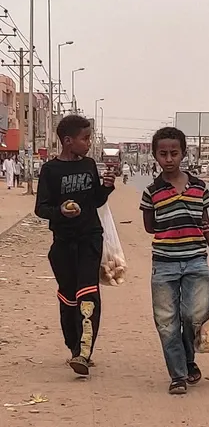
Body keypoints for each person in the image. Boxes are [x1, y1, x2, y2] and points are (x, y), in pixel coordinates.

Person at [141, 127, 209, 395]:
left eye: (174, 153)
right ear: (155, 156)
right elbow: (150, 226)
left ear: (184, 154)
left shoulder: (199, 187)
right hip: (164, 264)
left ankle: (189, 360)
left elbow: (206, 224)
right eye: (163, 154)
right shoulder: (151, 191)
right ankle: (178, 375)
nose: (169, 159)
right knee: (167, 322)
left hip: (196, 262)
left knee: (194, 315)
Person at [34, 115, 115, 376]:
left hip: (90, 238)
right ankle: (73, 346)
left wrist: (107, 188)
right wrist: (61, 211)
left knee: (88, 294)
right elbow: (41, 209)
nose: (89, 143)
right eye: (85, 138)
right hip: (63, 244)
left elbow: (96, 202)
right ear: (68, 141)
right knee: (69, 298)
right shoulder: (50, 170)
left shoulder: (90, 165)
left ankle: (85, 351)